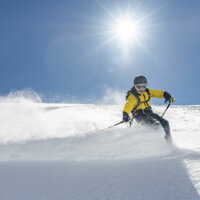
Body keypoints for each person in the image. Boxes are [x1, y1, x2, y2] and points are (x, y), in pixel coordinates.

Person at [123, 75, 175, 140]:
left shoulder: (148, 92)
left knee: (165, 123)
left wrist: (168, 97)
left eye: (143, 86)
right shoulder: (133, 97)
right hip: (139, 115)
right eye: (138, 87)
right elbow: (128, 106)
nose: (141, 89)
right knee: (156, 125)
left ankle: (168, 142)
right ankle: (158, 143)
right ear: (135, 86)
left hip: (150, 113)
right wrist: (125, 114)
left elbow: (159, 93)